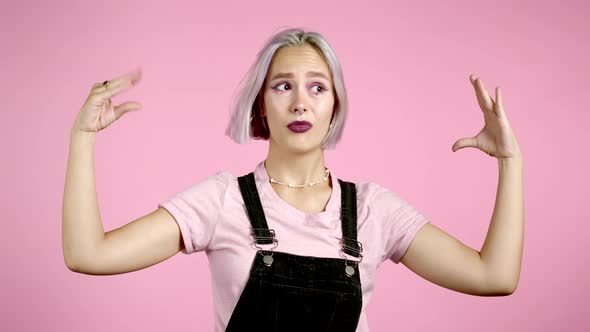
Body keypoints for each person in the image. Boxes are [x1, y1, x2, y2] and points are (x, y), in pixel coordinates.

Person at [63, 27, 524, 332]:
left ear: (335, 106)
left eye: (317, 87)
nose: (300, 103)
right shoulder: (223, 200)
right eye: (283, 85)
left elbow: (495, 276)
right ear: (261, 103)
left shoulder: (372, 209)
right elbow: (89, 254)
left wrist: (510, 161)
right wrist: (82, 137)